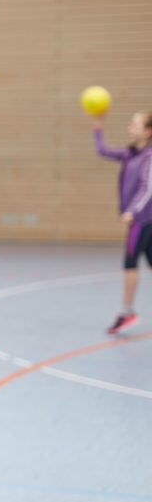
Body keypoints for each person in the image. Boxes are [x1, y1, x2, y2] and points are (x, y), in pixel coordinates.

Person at [93, 110, 152, 334]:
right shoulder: (130, 153)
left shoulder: (149, 157)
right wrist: (97, 127)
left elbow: (148, 187)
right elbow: (103, 151)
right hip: (143, 219)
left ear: (148, 131)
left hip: (141, 220)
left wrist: (132, 211)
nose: (131, 128)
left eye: (135, 125)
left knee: (130, 264)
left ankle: (127, 313)